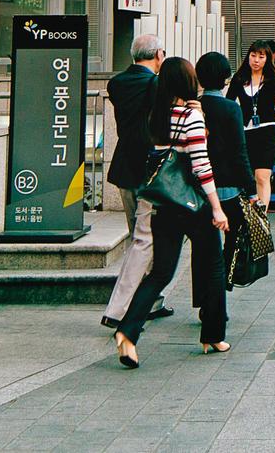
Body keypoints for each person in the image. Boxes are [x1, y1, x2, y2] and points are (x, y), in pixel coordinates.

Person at [114, 58, 231, 366]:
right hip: (193, 204)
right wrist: (217, 208)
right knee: (214, 265)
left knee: (161, 272)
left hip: (163, 203)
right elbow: (201, 166)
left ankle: (127, 333)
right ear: (189, 83)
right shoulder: (191, 117)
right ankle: (213, 335)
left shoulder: (154, 115)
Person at [100, 35, 172, 332]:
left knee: (136, 236)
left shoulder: (116, 84)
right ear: (157, 54)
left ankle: (143, 301)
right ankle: (136, 305)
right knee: (148, 239)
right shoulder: (156, 85)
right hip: (149, 167)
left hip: (124, 165)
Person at [195, 52, 255, 288]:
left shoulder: (193, 107)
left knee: (201, 246)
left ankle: (203, 295)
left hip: (198, 189)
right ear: (225, 78)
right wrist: (251, 190)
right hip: (229, 188)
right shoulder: (231, 109)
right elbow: (240, 153)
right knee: (233, 238)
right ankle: (223, 284)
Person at [232, 40, 275, 209]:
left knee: (262, 176)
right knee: (250, 178)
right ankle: (252, 215)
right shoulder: (239, 79)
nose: (256, 60)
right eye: (253, 56)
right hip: (246, 134)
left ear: (267, 59)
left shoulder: (272, 79)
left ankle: (262, 217)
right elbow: (229, 103)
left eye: (261, 57)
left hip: (268, 133)